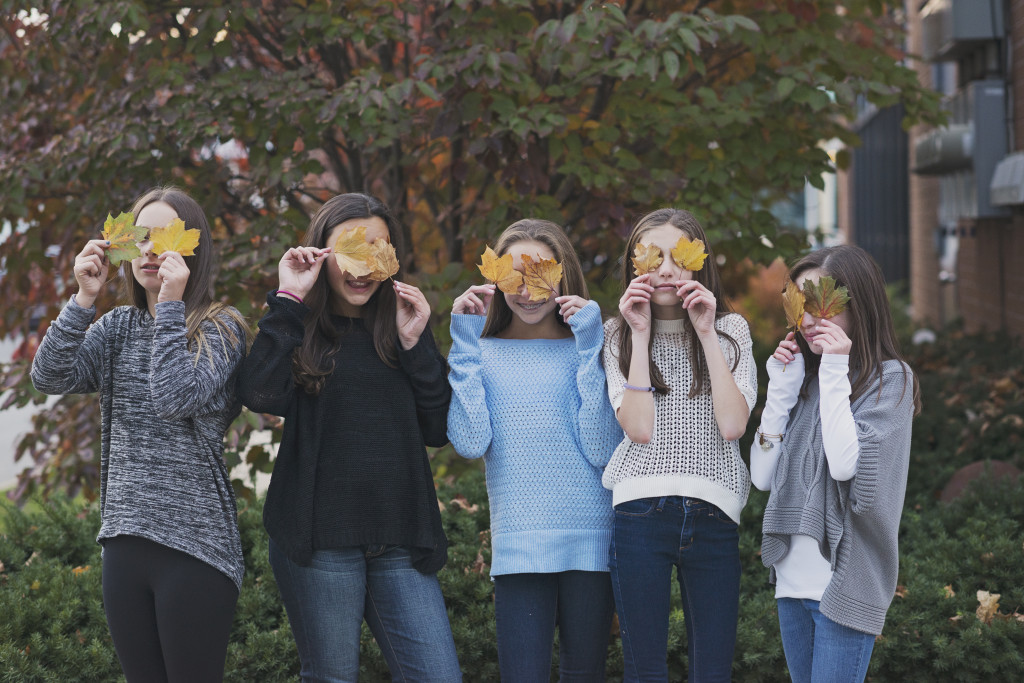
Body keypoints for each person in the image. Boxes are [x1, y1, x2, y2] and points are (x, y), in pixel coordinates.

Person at [235, 193, 461, 682]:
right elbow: (258, 391)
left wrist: (416, 344)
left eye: (375, 249)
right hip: (321, 540)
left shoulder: (401, 327)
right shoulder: (300, 326)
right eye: (349, 249)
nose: (361, 267)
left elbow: (439, 429)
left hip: (399, 538)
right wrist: (290, 298)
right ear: (321, 253)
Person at [31, 187, 249, 682]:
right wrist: (84, 297)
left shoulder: (221, 328)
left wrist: (170, 306)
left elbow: (173, 398)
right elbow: (49, 377)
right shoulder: (117, 327)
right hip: (124, 541)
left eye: (166, 237)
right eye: (140, 237)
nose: (151, 250)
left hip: (196, 546)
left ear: (193, 247)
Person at [447, 219, 623, 681]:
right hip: (519, 546)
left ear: (564, 276)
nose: (529, 291)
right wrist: (463, 344)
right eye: (514, 277)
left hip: (591, 543)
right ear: (495, 280)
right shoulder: (480, 352)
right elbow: (469, 442)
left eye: (542, 274)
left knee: (584, 674)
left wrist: (590, 349)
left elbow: (605, 447)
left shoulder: (594, 346)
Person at [750, 245, 920, 683]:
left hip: (843, 587)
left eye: (822, 306)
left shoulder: (891, 379)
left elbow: (848, 468)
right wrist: (781, 394)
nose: (807, 320)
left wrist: (833, 372)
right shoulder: (806, 382)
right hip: (791, 583)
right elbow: (762, 477)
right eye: (799, 306)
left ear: (857, 305)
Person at [602, 208, 757, 682]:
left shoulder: (732, 332)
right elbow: (640, 429)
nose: (666, 269)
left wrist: (707, 332)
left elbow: (733, 425)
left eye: (679, 256)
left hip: (714, 514)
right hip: (639, 512)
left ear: (700, 263)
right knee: (644, 667)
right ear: (635, 266)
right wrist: (641, 333)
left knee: (712, 669)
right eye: (651, 258)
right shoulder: (617, 336)